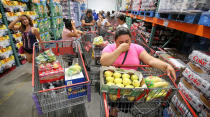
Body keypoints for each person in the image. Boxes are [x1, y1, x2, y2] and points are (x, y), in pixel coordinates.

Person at [100, 27, 176, 117]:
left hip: (132, 85)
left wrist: (165, 66)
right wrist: (119, 49)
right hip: (113, 84)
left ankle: (117, 108)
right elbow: (104, 62)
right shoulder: (109, 48)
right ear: (115, 41)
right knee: (113, 102)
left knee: (126, 105)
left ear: (131, 39)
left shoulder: (137, 48)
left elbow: (150, 60)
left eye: (127, 41)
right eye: (120, 42)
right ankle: (113, 109)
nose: (124, 44)